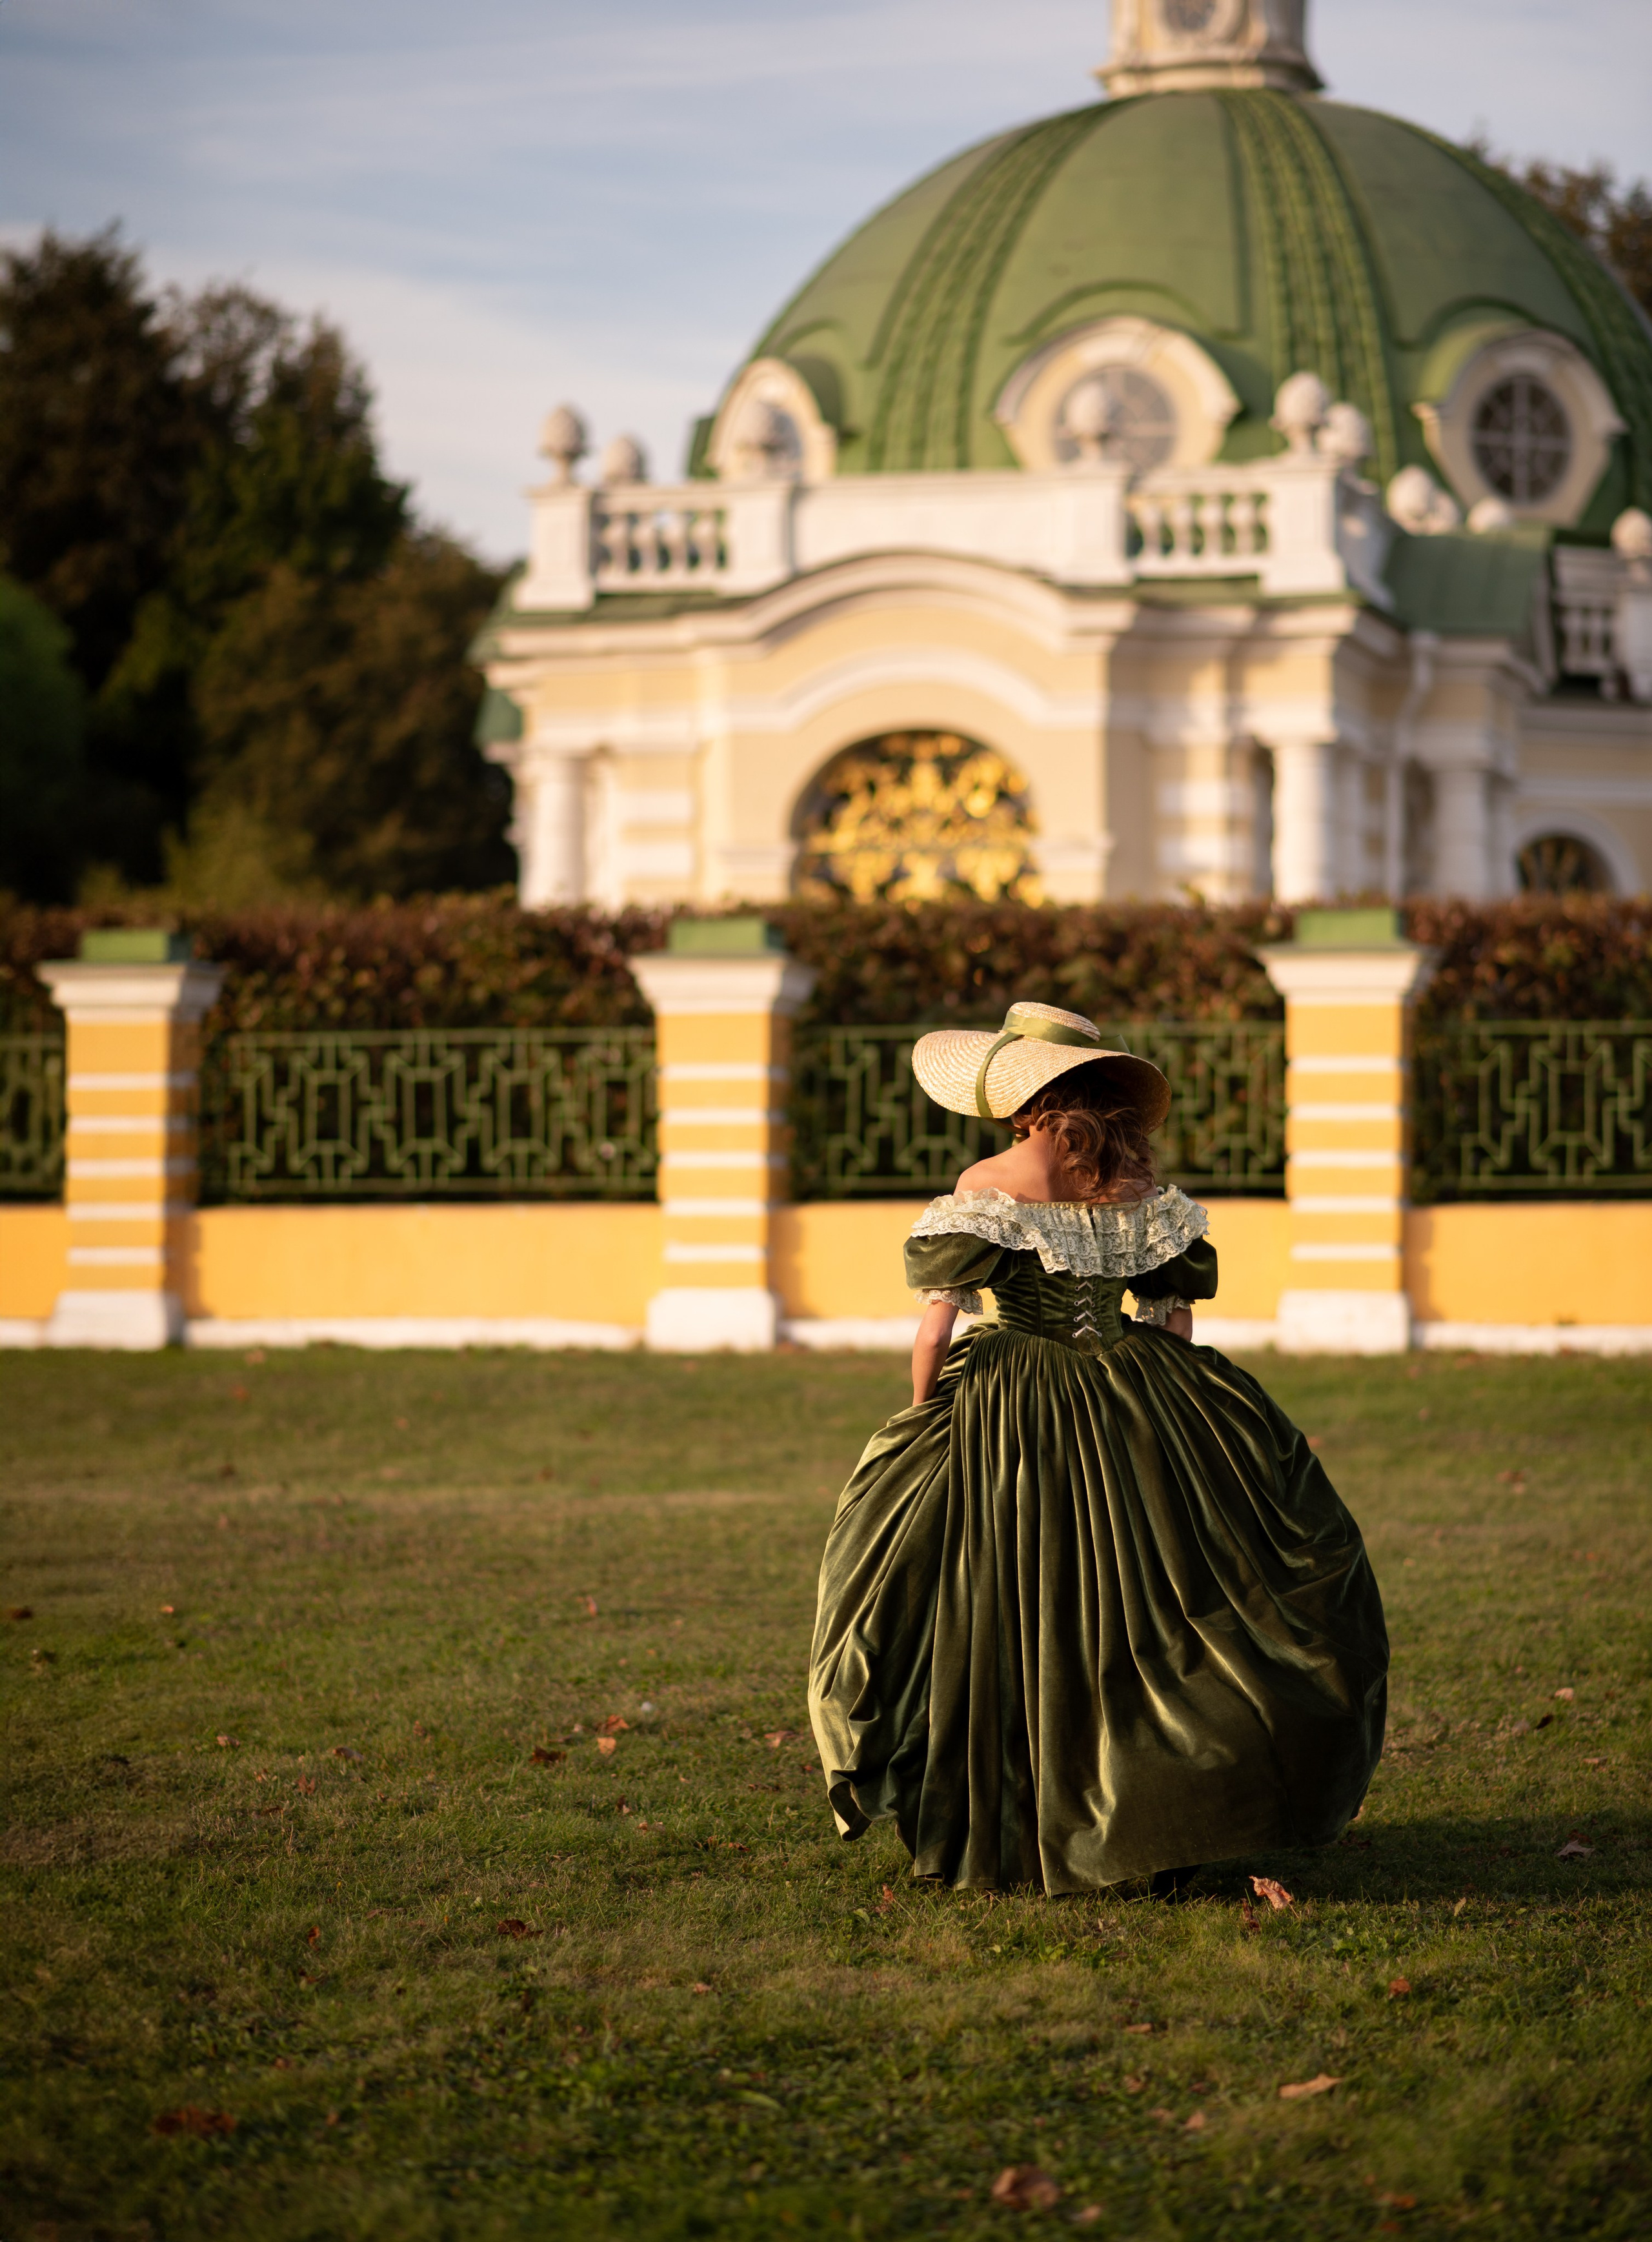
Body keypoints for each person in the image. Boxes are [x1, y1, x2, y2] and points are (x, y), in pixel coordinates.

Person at [807, 1000, 1389, 1897]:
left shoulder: (987, 1182)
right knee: (1149, 1595)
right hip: (1137, 1390)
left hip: (1008, 1405)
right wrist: (1176, 1417)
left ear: (1021, 1095)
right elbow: (1175, 1322)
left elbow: (935, 1329)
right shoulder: (1137, 1187)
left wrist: (925, 1416)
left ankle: (1015, 1821)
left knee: (1014, 1597)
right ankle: (1154, 1796)